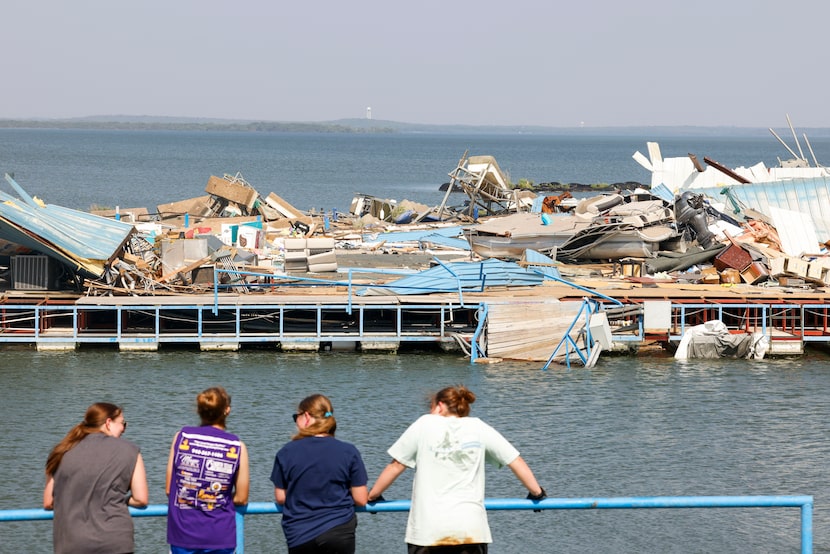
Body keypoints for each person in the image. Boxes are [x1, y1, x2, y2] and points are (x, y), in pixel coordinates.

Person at [368, 385, 546, 554]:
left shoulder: (424, 424)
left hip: (428, 530)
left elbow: (396, 466)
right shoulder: (479, 427)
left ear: (439, 406)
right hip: (470, 529)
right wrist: (536, 493)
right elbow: (515, 461)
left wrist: (373, 496)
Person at [43, 402, 148, 554]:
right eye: (122, 424)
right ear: (108, 423)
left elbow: (48, 502)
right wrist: (118, 500)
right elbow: (141, 499)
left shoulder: (60, 452)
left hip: (72, 543)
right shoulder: (131, 450)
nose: (124, 429)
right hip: (115, 541)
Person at [270, 394, 368, 554]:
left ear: (307, 417)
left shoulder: (286, 452)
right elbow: (361, 498)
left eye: (297, 417)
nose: (295, 421)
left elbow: (281, 497)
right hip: (339, 530)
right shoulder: (349, 451)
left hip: (300, 533)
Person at [166, 386, 250, 554]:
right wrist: (217, 497)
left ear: (199, 410)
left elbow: (169, 489)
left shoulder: (182, 437)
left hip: (183, 534)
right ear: (227, 410)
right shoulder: (236, 446)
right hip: (220, 535)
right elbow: (241, 498)